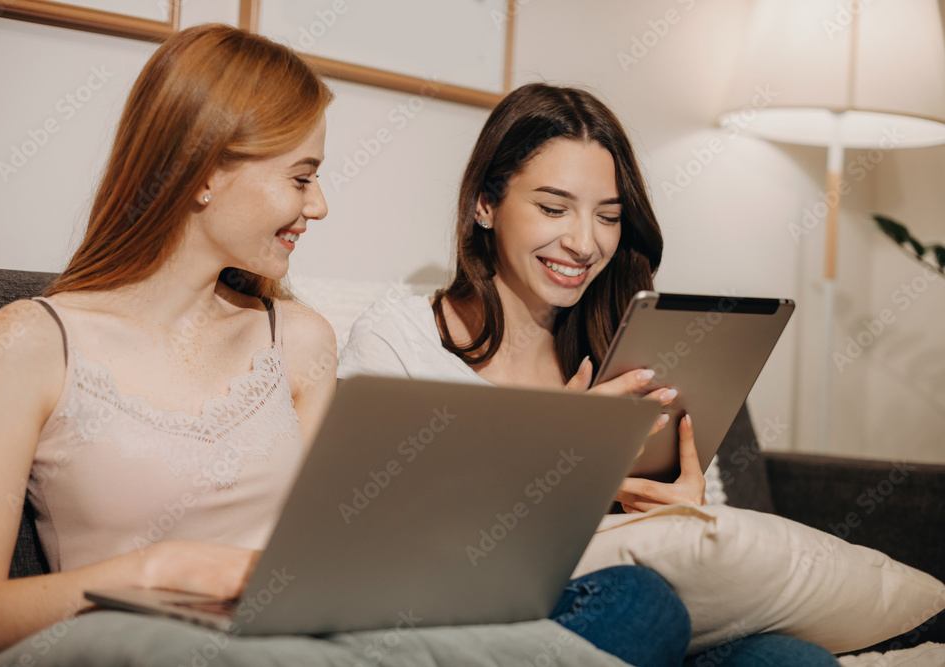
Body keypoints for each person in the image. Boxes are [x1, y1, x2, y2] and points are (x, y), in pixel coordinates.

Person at [0, 27, 689, 666]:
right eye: (302, 177)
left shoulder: (298, 340)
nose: (320, 205)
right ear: (204, 172)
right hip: (149, 643)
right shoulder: (23, 345)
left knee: (645, 605)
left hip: (314, 637)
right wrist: (160, 569)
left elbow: (360, 543)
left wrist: (557, 466)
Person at [338, 83, 840, 666]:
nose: (584, 243)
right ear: (484, 203)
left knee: (791, 660)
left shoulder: (621, 350)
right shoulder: (400, 340)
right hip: (476, 621)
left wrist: (685, 513)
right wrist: (542, 467)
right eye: (553, 209)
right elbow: (362, 541)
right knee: (640, 607)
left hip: (623, 608)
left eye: (608, 217)